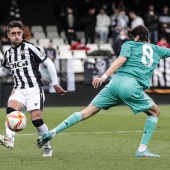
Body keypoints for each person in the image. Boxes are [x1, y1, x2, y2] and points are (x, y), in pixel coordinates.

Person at [36, 25, 170, 158]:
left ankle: (52, 132)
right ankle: (142, 150)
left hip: (115, 82)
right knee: (155, 112)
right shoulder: (157, 49)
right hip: (132, 85)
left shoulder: (129, 44)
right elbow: (122, 59)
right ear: (147, 38)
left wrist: (104, 77)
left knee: (86, 112)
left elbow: (121, 60)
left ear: (136, 37)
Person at [0, 21, 66, 156]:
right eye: (13, 34)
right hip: (18, 89)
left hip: (34, 88)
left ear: (22, 33)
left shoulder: (30, 47)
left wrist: (55, 83)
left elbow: (48, 61)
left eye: (19, 33)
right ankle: (10, 139)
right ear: (8, 35)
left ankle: (47, 147)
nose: (17, 36)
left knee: (36, 119)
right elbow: (4, 71)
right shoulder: (8, 54)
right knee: (11, 111)